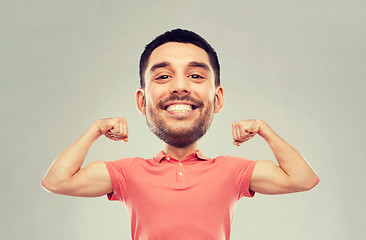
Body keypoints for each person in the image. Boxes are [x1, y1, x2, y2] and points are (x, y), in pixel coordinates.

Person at [41, 29, 319, 240]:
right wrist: (96, 130)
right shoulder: (128, 173)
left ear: (218, 99)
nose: (180, 87)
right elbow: (57, 181)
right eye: (163, 76)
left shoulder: (232, 171)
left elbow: (303, 179)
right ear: (141, 101)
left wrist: (264, 130)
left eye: (196, 76)